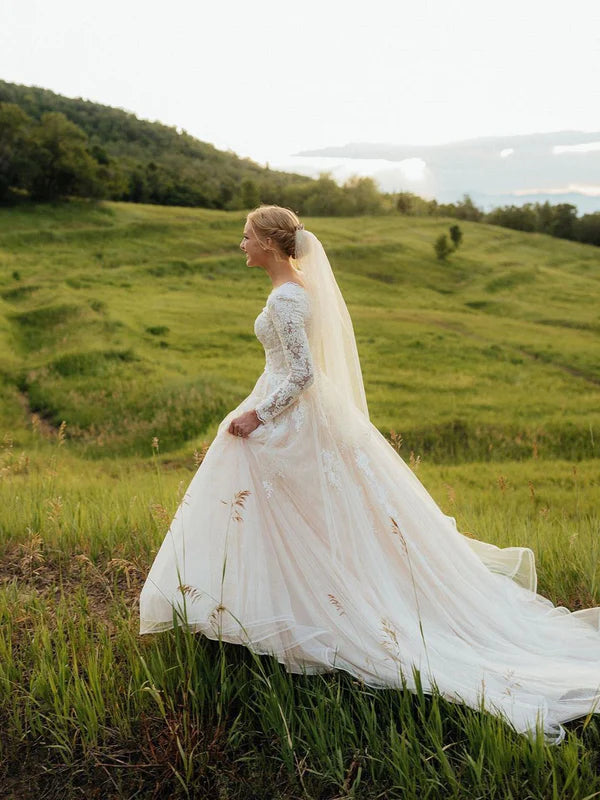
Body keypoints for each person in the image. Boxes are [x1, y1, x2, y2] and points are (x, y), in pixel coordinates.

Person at [139, 204, 600, 745]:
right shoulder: (294, 290)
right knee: (296, 517)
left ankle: (300, 612)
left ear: (268, 241)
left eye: (245, 236)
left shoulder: (286, 296)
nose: (240, 244)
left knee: (291, 514)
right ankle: (270, 607)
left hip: (285, 414)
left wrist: (256, 416)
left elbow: (303, 374)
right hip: (290, 408)